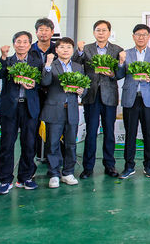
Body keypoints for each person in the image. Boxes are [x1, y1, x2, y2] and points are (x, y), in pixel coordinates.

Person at [73, 20, 124, 179]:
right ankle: (88, 167)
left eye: (104, 30)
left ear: (109, 32)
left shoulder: (117, 50)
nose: (101, 33)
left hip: (109, 96)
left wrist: (113, 73)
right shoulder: (86, 49)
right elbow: (75, 63)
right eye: (98, 30)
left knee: (109, 132)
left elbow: (121, 74)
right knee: (91, 132)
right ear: (94, 32)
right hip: (91, 95)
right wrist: (79, 51)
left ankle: (110, 165)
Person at [0, 31, 43, 194]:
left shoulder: (36, 61)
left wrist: (33, 84)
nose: (21, 44)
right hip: (10, 108)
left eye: (25, 42)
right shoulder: (7, 61)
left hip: (29, 107)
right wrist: (2, 56)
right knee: (7, 144)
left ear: (30, 45)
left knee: (29, 143)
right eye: (18, 41)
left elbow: (43, 82)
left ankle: (25, 177)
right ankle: (5, 179)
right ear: (14, 44)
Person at [115, 24, 150, 179]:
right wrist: (121, 63)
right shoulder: (125, 54)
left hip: (148, 99)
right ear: (133, 36)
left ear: (149, 37)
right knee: (130, 133)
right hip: (131, 98)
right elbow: (119, 75)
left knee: (148, 133)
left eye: (144, 34)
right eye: (138, 34)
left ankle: (148, 166)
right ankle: (129, 166)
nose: (141, 37)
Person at [41, 38, 84, 189]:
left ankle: (68, 172)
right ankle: (54, 174)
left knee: (71, 143)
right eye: (62, 47)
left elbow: (83, 86)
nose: (65, 50)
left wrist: (81, 91)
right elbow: (45, 83)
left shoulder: (78, 67)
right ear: (56, 50)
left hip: (71, 109)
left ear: (72, 50)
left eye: (68, 47)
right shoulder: (51, 65)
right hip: (54, 109)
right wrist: (47, 64)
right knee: (52, 143)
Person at [30, 18, 56, 164]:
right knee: (34, 124)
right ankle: (35, 155)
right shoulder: (29, 49)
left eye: (47, 30)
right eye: (41, 30)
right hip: (34, 93)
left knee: (54, 125)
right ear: (36, 32)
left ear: (52, 32)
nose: (44, 33)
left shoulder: (58, 48)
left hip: (52, 93)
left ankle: (51, 156)